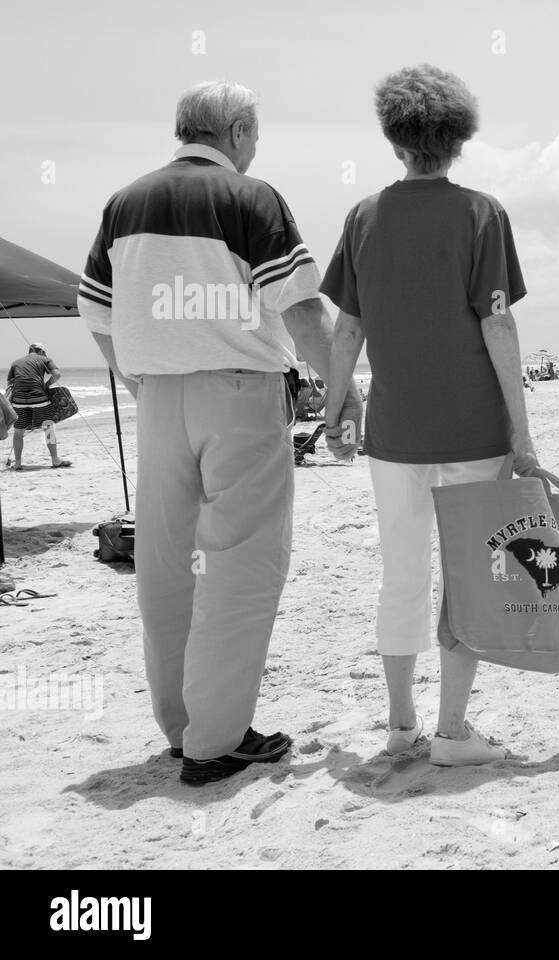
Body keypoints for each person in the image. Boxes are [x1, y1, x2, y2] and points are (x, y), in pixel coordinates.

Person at [76, 80, 362, 785]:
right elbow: (302, 313)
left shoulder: (125, 202)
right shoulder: (250, 197)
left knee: (169, 566)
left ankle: (182, 728)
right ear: (235, 131)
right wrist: (344, 396)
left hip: (161, 401)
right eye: (255, 133)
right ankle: (216, 740)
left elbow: (96, 313)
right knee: (239, 565)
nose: (256, 147)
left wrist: (139, 379)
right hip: (238, 394)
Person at [322, 63, 540, 766]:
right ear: (459, 137)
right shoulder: (482, 214)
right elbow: (498, 329)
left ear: (394, 138)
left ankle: (397, 726)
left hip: (396, 434)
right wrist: (522, 433)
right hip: (473, 429)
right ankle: (452, 733)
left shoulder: (362, 217)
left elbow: (347, 333)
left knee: (401, 576)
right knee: (469, 579)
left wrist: (332, 415)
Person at [5, 344, 71, 470]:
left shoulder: (16, 362)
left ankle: (17, 463)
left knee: (18, 432)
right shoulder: (45, 359)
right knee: (48, 428)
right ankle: (55, 460)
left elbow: (10, 383)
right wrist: (46, 385)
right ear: (41, 351)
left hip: (19, 400)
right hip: (39, 397)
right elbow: (57, 375)